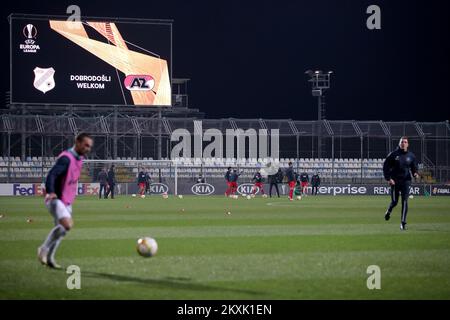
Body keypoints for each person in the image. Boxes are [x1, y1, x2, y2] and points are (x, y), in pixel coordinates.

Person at [38, 132, 93, 268]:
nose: (88, 149)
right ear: (77, 142)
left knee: (62, 231)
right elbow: (52, 174)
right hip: (56, 199)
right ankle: (43, 250)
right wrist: (51, 191)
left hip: (66, 201)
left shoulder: (79, 159)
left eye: (89, 146)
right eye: (85, 145)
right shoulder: (66, 158)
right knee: (67, 225)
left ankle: (50, 259)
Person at [383, 136, 419, 230]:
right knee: (395, 202)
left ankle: (403, 223)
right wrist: (388, 179)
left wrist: (415, 173)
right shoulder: (393, 155)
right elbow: (385, 167)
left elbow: (414, 167)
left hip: (406, 181)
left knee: (405, 201)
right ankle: (389, 211)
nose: (403, 143)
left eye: (405, 142)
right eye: (402, 142)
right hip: (394, 181)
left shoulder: (411, 156)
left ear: (408, 144)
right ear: (399, 143)